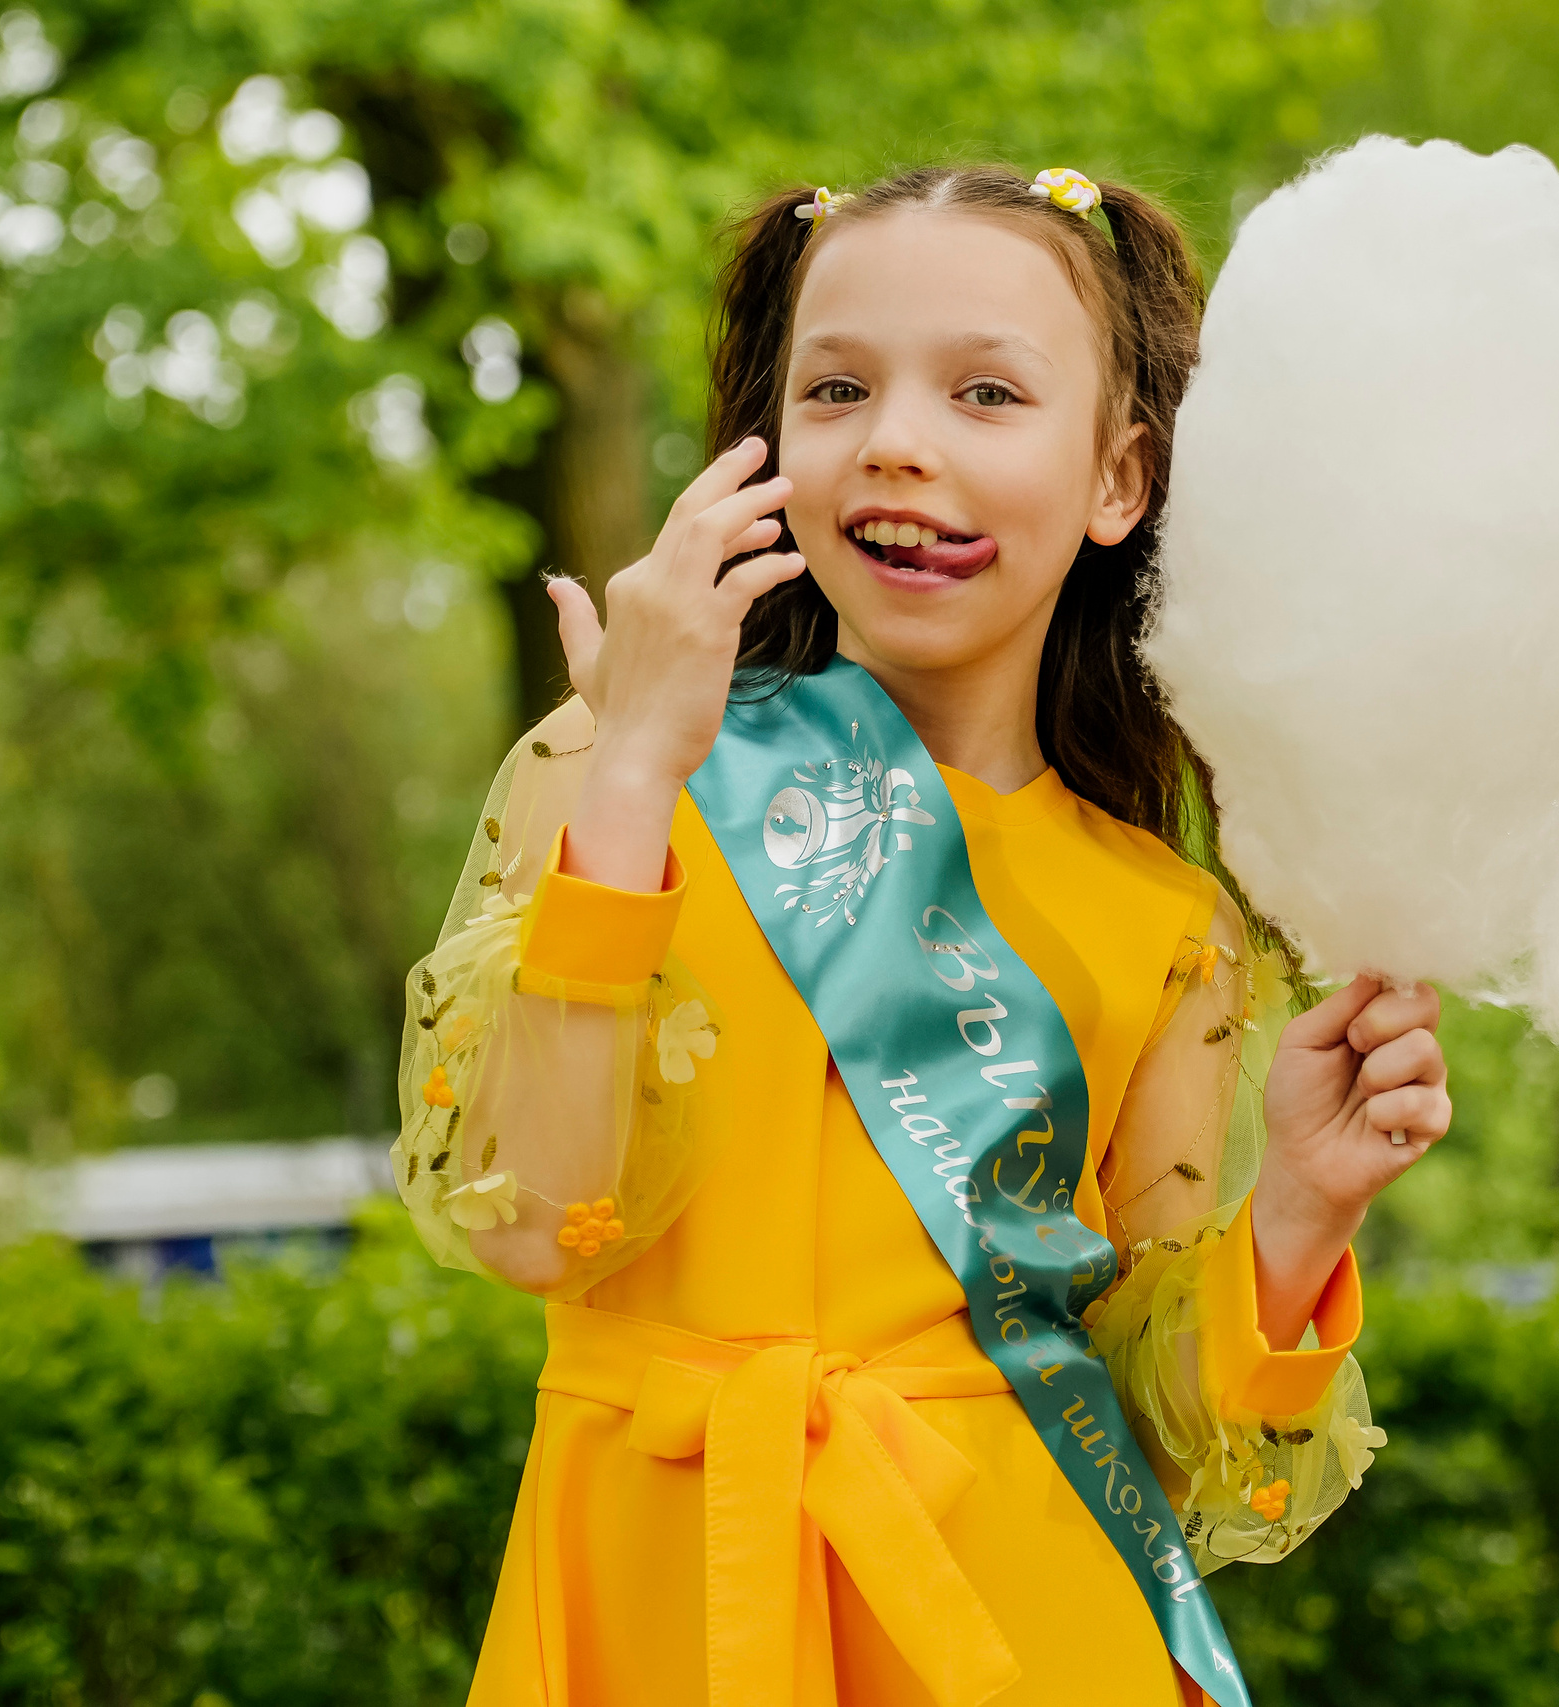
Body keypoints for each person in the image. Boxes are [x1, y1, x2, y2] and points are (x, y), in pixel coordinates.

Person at [395, 163, 1452, 1707]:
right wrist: (631, 775)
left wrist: (1301, 1208)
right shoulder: (611, 768)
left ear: (1119, 481)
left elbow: (1150, 1435)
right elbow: (527, 1222)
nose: (897, 441)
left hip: (1018, 1627)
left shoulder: (1171, 924)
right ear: (769, 449)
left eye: (986, 393)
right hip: (657, 1614)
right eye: (837, 387)